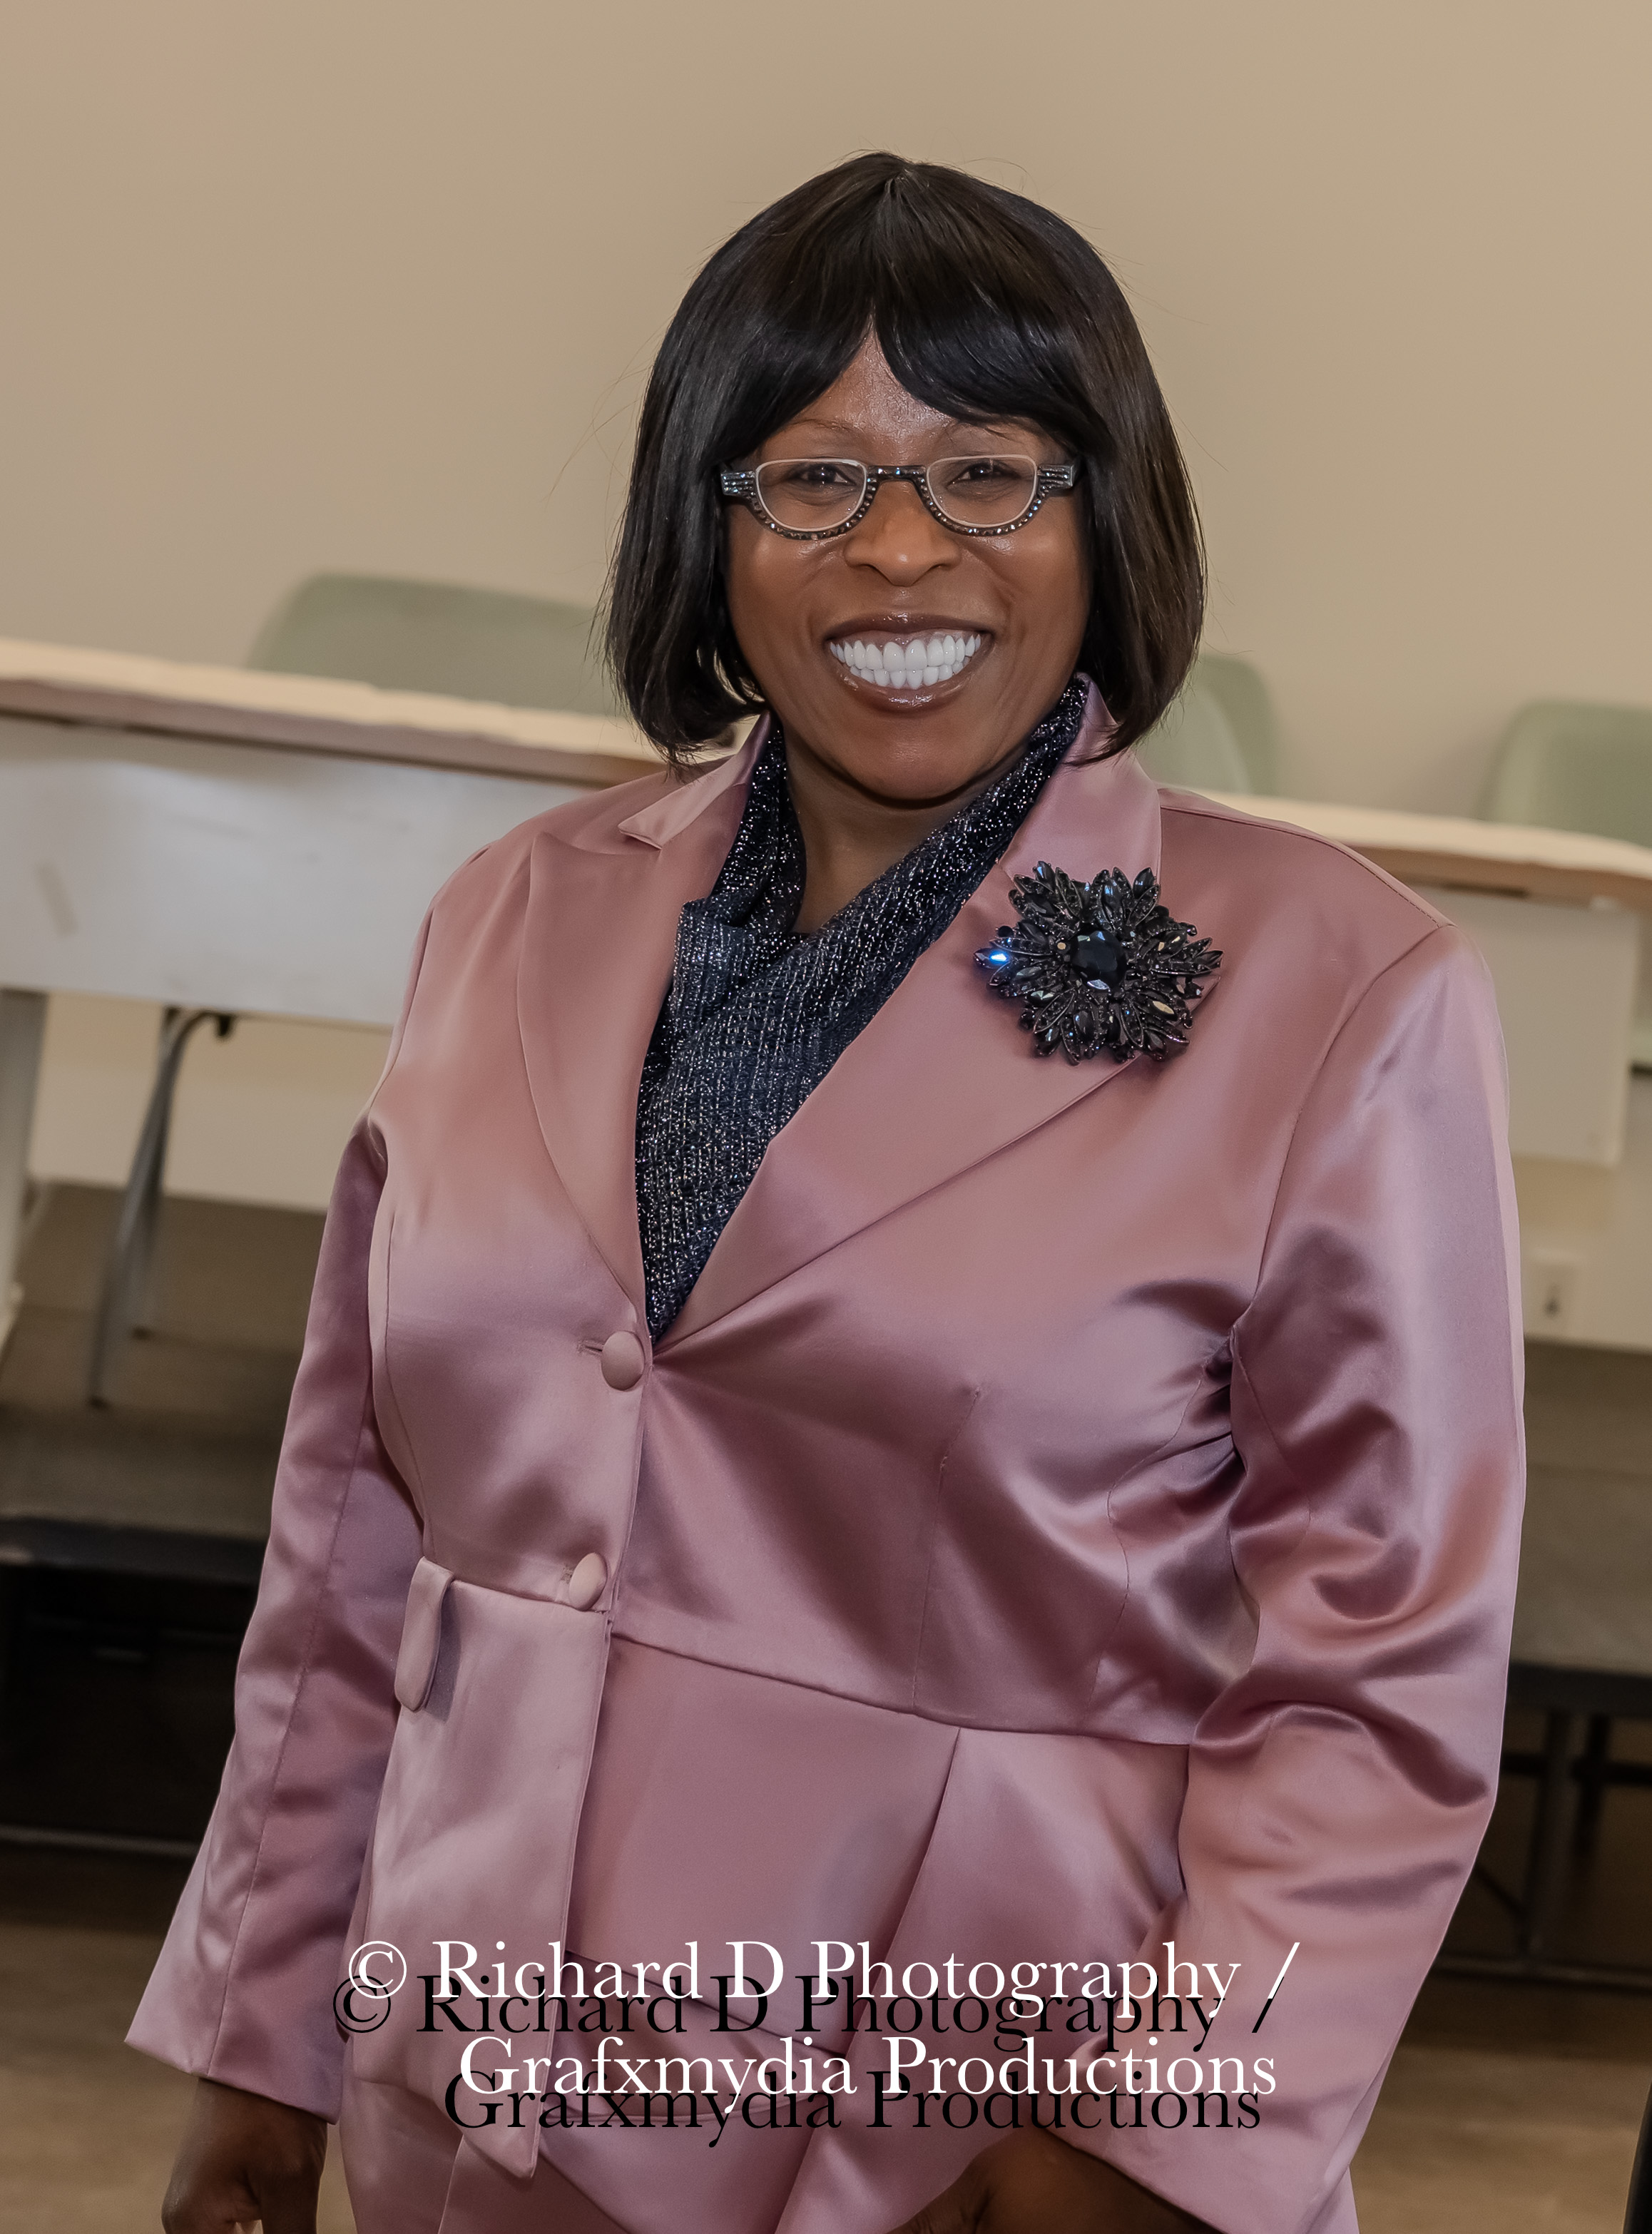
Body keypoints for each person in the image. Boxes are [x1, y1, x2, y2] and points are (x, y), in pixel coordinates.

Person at [136, 153, 1524, 2234]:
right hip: (474, 2094)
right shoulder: (511, 910)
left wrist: (1164, 2146)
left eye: (988, 473)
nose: (897, 547)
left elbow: (1376, 1675)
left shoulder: (1345, 989)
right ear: (705, 529)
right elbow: (353, 1532)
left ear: (1105, 513)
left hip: (974, 2131)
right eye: (811, 478)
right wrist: (263, 2039)